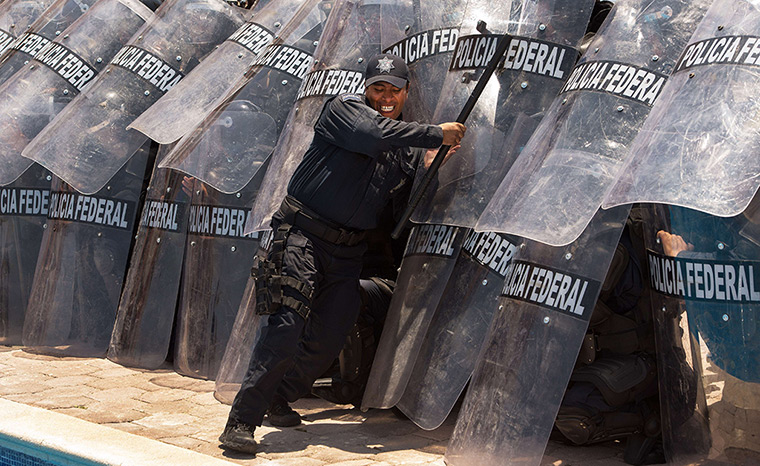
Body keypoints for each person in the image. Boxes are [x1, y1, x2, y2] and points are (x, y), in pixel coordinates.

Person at [218, 52, 466, 454]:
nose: (386, 97)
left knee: (331, 333)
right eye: (378, 88)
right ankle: (242, 421)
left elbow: (406, 204)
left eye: (394, 90)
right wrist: (435, 134)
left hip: (348, 250)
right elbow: (372, 134)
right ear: (365, 89)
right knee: (284, 327)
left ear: (406, 93)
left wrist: (430, 166)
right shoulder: (344, 110)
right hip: (302, 236)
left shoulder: (402, 144)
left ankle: (279, 397)